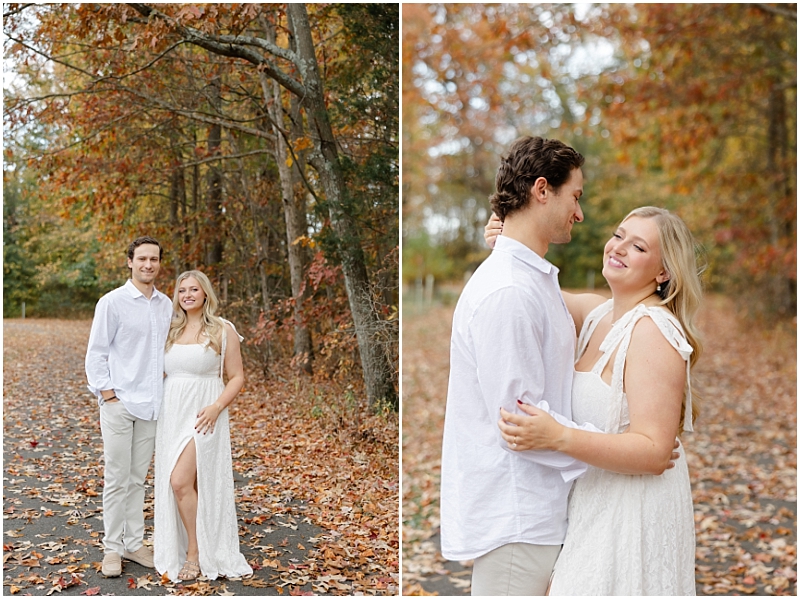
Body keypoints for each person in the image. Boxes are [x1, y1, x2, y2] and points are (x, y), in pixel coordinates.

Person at [491, 206, 701, 595]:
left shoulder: (653, 331)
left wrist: (558, 437)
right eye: (618, 235)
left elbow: (655, 453)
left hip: (634, 509)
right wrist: (508, 241)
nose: (618, 248)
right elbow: (532, 289)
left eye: (637, 246)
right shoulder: (597, 312)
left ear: (663, 271)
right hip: (593, 499)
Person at [440, 136, 604, 596]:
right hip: (518, 518)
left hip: (539, 511)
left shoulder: (531, 279)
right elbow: (522, 424)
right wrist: (617, 453)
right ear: (541, 189)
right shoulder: (508, 291)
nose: (580, 213)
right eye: (576, 196)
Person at [154, 270, 253, 582]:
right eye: (182, 290)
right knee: (188, 486)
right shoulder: (170, 330)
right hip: (172, 413)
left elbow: (237, 376)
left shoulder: (223, 330)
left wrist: (216, 407)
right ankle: (189, 543)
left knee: (180, 481)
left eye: (194, 289)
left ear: (205, 294)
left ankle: (195, 553)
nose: (187, 295)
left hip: (204, 413)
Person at [85, 237, 173, 577]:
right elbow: (97, 352)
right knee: (117, 478)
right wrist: (108, 394)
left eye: (154, 259)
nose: (148, 265)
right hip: (119, 403)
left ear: (159, 263)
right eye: (142, 259)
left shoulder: (166, 305)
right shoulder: (112, 302)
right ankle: (112, 548)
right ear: (130, 262)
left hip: (153, 404)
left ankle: (134, 544)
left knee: (138, 479)